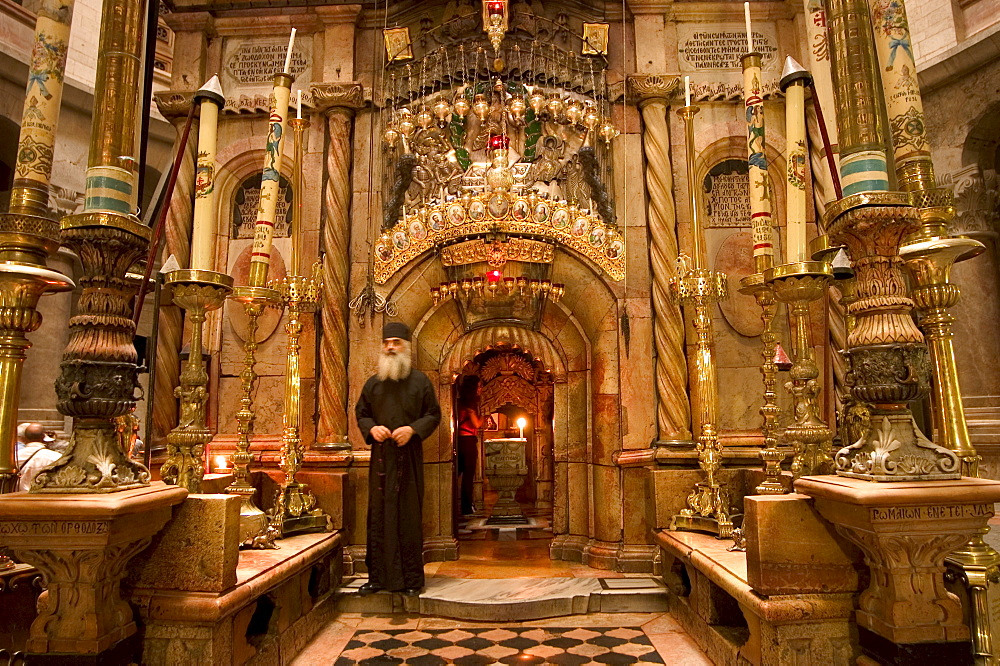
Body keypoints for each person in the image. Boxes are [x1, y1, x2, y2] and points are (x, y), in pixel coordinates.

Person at [355, 322, 441, 597]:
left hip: (408, 459)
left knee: (407, 516)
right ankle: (377, 578)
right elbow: (362, 413)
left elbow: (433, 414)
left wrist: (413, 429)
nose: (390, 347)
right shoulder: (373, 383)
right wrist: (371, 428)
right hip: (381, 459)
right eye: (386, 343)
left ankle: (412, 580)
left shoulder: (420, 382)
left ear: (406, 347)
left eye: (396, 342)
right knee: (378, 517)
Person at [455, 380, 482, 516]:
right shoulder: (470, 406)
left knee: (457, 473)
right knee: (468, 476)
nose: (480, 389)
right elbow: (476, 424)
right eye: (479, 386)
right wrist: (485, 417)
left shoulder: (459, 403)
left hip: (459, 441)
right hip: (468, 441)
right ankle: (466, 506)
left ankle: (454, 504)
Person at [17, 423, 62, 492]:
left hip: (16, 497)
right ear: (43, 438)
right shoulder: (56, 457)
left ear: (25, 438)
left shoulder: (15, 456)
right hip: (45, 498)